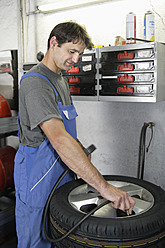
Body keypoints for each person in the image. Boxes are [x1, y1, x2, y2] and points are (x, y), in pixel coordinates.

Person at [14, 21, 135, 248]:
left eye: (79, 53)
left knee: (59, 233)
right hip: (36, 178)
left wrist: (78, 147)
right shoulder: (35, 83)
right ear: (54, 43)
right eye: (72, 51)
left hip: (61, 173)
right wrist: (104, 187)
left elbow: (64, 129)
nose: (76, 59)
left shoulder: (59, 79)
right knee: (36, 239)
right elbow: (58, 139)